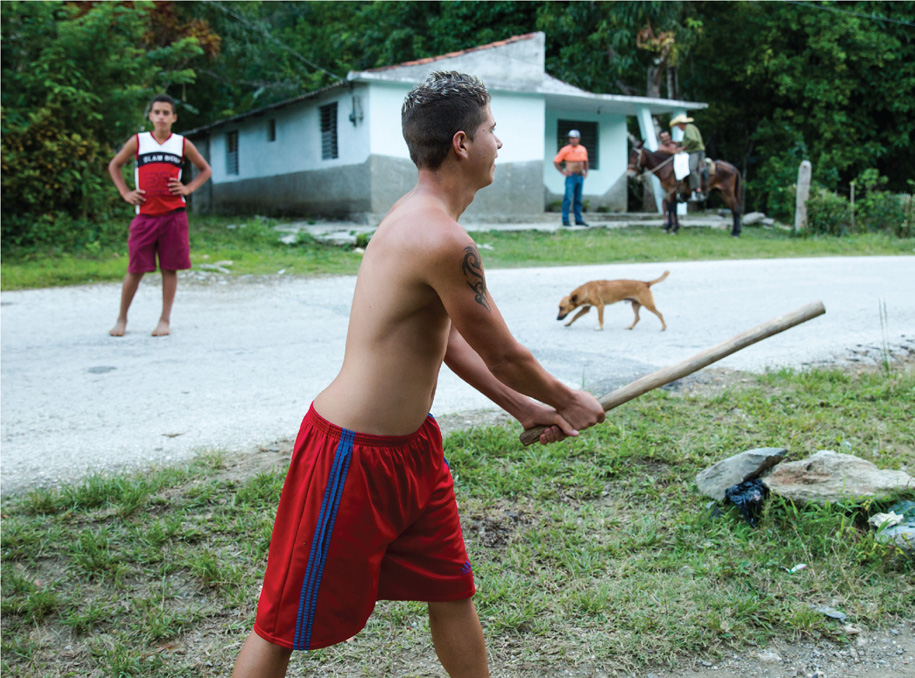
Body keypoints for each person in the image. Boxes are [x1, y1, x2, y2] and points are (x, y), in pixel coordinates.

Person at [230, 71, 605, 678]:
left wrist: (525, 407)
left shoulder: (425, 220)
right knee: (281, 625)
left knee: (452, 589)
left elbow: (450, 337)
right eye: (491, 130)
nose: (499, 144)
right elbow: (507, 354)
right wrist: (568, 398)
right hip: (350, 457)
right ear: (462, 143)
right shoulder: (438, 237)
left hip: (413, 453)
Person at [107, 94, 211, 337]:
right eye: (157, 112)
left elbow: (205, 169)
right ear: (151, 116)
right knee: (135, 269)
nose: (161, 117)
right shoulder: (139, 141)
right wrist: (125, 192)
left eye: (166, 113)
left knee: (169, 268)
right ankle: (122, 319)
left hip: (174, 215)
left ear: (174, 117)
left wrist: (188, 188)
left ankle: (164, 320)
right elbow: (115, 165)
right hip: (145, 216)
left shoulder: (181, 144)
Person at [553, 129, 589, 226]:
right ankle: (565, 220)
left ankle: (578, 219)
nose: (572, 140)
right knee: (568, 198)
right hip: (571, 176)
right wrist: (562, 172)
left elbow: (586, 161)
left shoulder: (583, 149)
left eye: (574, 138)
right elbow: (556, 161)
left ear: (578, 139)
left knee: (578, 199)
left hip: (580, 176)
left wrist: (586, 171)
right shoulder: (565, 149)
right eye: (571, 138)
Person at [670, 114, 705, 202]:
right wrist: (679, 143)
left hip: (695, 152)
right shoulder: (689, 129)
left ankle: (698, 190)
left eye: (678, 125)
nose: (678, 127)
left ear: (681, 124)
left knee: (691, 168)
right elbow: (689, 140)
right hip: (691, 152)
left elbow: (693, 140)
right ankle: (685, 192)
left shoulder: (689, 128)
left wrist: (682, 148)